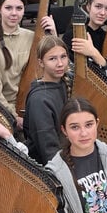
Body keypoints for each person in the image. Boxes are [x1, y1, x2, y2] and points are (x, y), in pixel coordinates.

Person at [0, 0, 55, 117]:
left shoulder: (32, 37)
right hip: (0, 109)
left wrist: (53, 34)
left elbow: (55, 67)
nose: (14, 13)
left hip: (30, 104)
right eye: (8, 8)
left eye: (19, 8)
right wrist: (13, 117)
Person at [24, 35, 71, 166]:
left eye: (63, 56)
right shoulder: (39, 100)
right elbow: (48, 150)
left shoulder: (66, 82)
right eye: (52, 59)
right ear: (41, 62)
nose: (60, 63)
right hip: (52, 166)